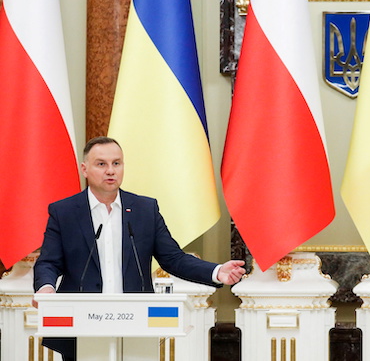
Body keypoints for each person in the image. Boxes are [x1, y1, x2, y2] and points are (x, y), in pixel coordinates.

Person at [33, 136, 246, 360]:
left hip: (136, 322)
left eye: (117, 163)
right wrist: (46, 288)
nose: (110, 171)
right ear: (85, 169)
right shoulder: (64, 212)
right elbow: (49, 262)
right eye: (101, 164)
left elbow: (173, 258)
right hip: (82, 323)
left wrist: (216, 271)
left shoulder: (145, 209)